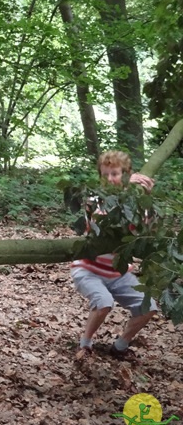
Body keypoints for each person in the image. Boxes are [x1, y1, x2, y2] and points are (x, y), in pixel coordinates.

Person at [72, 150, 158, 363]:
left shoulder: (135, 200)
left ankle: (120, 347)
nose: (110, 179)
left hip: (118, 272)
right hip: (88, 269)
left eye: (115, 174)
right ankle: (85, 344)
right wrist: (130, 191)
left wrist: (145, 196)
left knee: (149, 307)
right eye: (105, 175)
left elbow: (148, 231)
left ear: (126, 174)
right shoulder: (95, 199)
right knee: (104, 302)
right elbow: (104, 221)